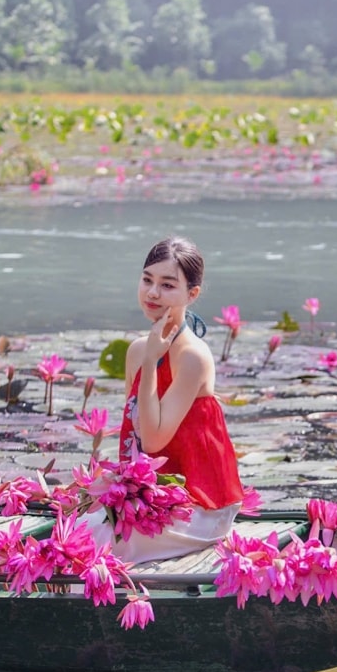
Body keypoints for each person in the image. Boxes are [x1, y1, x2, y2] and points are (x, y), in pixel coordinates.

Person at [95, 236, 244, 564]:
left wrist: (152, 362)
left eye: (167, 285)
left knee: (97, 546)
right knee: (79, 531)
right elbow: (133, 438)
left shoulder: (193, 357)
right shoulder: (137, 350)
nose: (152, 293)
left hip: (201, 509)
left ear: (192, 294)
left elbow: (152, 439)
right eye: (147, 280)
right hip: (154, 501)